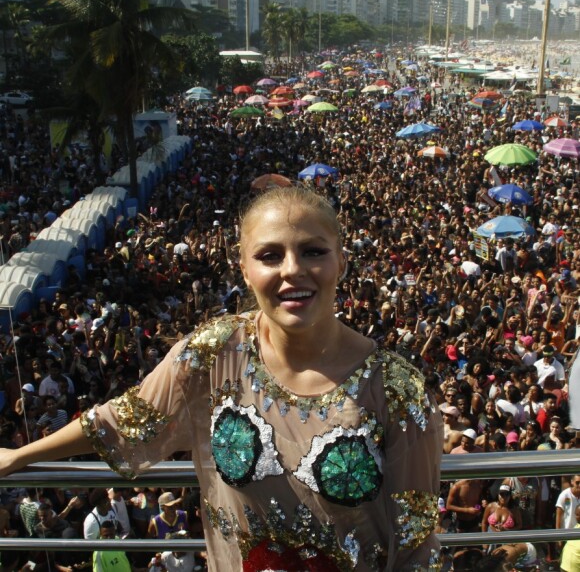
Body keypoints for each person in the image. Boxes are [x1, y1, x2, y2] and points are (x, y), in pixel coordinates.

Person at [0, 187, 443, 571]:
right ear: (245, 269)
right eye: (270, 255)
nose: (292, 269)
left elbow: (416, 547)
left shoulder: (396, 390)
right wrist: (21, 456)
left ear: (341, 262)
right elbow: (129, 419)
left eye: (313, 251)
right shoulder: (216, 352)